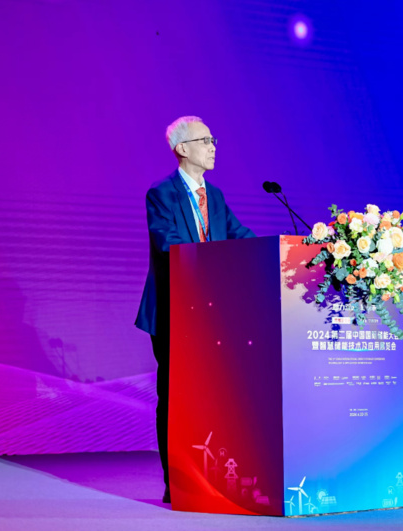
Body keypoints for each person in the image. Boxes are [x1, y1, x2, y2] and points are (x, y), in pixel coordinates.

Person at [135, 116, 256, 503]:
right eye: (205, 140)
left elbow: (238, 235)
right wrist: (214, 261)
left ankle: (210, 475)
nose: (213, 146)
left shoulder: (215, 196)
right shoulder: (161, 194)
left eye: (213, 140)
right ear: (182, 149)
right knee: (175, 395)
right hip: (174, 310)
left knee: (214, 396)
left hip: (212, 312)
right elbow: (167, 243)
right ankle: (176, 480)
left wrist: (280, 250)